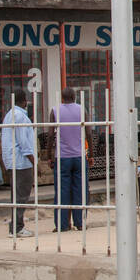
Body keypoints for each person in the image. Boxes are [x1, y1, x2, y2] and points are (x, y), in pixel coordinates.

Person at [49, 88, 86, 232]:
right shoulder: (82, 110)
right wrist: (91, 155)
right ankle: (80, 223)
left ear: (62, 98)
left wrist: (49, 155)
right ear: (75, 97)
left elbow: (51, 135)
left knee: (62, 191)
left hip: (62, 157)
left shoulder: (55, 110)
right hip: (79, 155)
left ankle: (62, 225)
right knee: (79, 190)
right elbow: (88, 132)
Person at [1, 90, 37, 237]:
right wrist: (35, 162)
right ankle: (17, 227)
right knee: (22, 195)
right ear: (25, 101)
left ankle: (15, 226)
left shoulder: (9, 114)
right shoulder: (21, 116)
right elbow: (24, 143)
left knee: (16, 195)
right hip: (21, 161)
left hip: (11, 160)